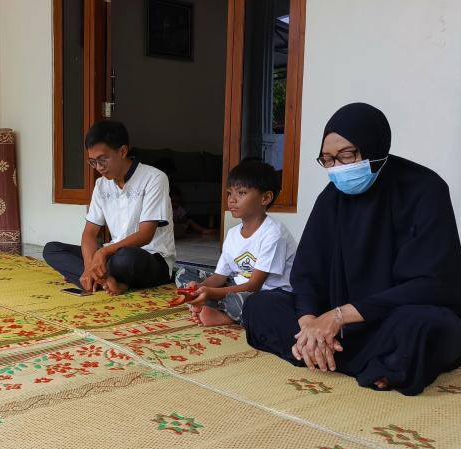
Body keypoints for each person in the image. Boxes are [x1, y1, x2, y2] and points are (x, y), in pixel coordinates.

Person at [241, 103, 461, 396]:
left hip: (393, 316)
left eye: (347, 155)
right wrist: (309, 324)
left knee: (422, 328)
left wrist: (339, 316)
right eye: (328, 159)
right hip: (339, 325)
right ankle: (362, 359)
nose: (338, 166)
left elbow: (431, 284)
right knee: (260, 307)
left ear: (373, 147)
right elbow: (307, 274)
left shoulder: (425, 189)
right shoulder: (331, 198)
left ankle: (325, 354)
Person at [43, 121, 175, 295]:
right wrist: (89, 266)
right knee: (52, 249)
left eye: (103, 160)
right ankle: (105, 280)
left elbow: (145, 235)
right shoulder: (101, 185)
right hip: (112, 255)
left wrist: (103, 252)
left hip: (150, 258)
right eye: (93, 162)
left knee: (124, 258)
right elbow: (89, 233)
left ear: (122, 151)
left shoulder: (154, 178)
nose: (99, 168)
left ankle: (100, 279)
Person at [175, 159, 296, 326]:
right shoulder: (232, 234)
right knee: (183, 274)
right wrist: (200, 288)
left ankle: (225, 315)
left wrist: (210, 293)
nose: (232, 199)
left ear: (266, 198)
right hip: (238, 285)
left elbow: (254, 285)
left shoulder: (274, 234)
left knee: (249, 303)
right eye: (229, 193)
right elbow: (219, 276)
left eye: (241, 193)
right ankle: (212, 305)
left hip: (270, 294)